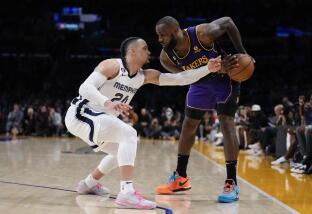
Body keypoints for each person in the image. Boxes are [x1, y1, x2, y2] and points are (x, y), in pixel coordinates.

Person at [64, 37, 222, 209]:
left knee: (121, 152)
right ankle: (126, 193)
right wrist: (108, 103)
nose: (149, 52)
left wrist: (207, 68)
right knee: (129, 134)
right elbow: (85, 88)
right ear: (132, 51)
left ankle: (88, 184)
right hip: (81, 113)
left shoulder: (144, 76)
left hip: (100, 118)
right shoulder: (112, 65)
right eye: (145, 48)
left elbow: (179, 78)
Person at [155, 16, 250, 203]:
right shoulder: (166, 57)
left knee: (226, 122)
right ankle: (180, 177)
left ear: (175, 32)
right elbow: (186, 78)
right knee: (188, 125)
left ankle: (232, 182)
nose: (159, 40)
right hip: (200, 84)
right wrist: (214, 69)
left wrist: (243, 54)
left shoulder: (202, 34)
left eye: (162, 35)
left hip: (225, 81)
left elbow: (229, 22)